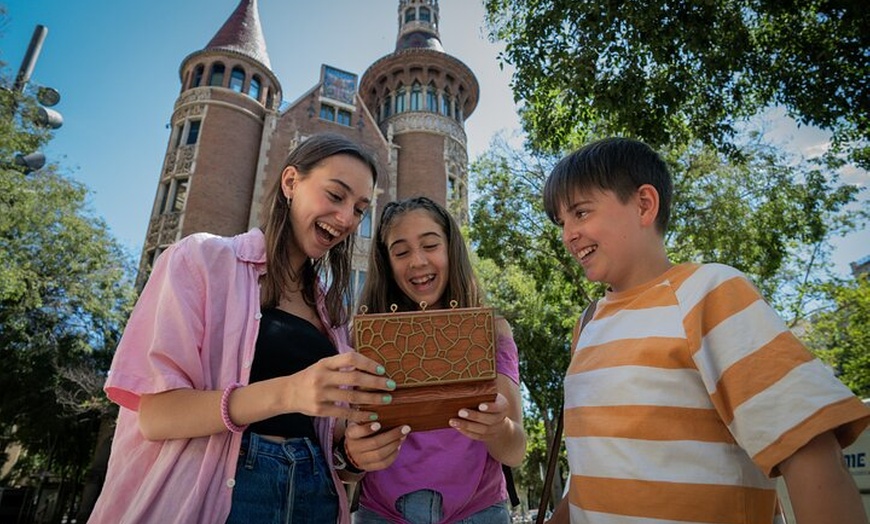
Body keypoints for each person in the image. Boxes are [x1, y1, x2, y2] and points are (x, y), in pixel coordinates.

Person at [542, 137, 870, 523]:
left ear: (644, 205)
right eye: (562, 222)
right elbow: (591, 476)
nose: (567, 235)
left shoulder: (710, 292)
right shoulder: (587, 324)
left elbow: (810, 451)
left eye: (580, 213)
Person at [88, 133, 402, 524]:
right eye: (335, 196)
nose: (346, 220)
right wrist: (288, 392)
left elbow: (327, 434)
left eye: (360, 209)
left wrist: (354, 451)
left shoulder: (332, 307)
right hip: (215, 498)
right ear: (290, 183)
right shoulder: (201, 258)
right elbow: (156, 416)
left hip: (314, 496)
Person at [347, 196, 527, 523]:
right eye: (401, 252)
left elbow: (514, 451)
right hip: (381, 513)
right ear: (387, 263)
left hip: (478, 510)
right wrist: (352, 453)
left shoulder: (493, 331)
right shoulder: (361, 339)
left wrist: (497, 427)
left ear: (451, 249)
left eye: (430, 245)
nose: (417, 261)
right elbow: (346, 454)